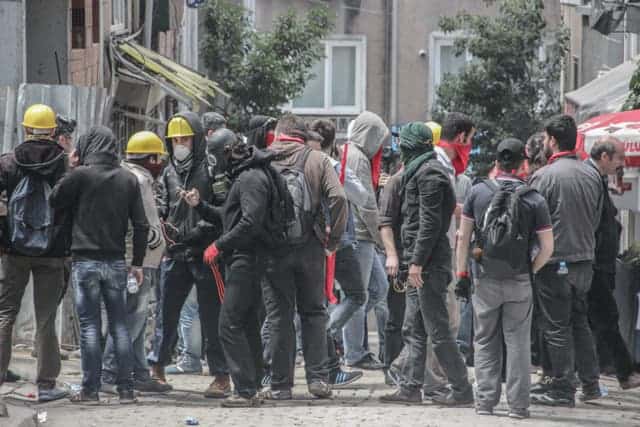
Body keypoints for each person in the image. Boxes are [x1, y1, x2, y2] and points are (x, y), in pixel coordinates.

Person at [456, 138, 554, 419]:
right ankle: (518, 407)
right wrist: (530, 269)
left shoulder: (478, 193)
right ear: (523, 163)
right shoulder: (534, 198)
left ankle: (485, 403)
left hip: (485, 278)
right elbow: (548, 247)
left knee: (485, 339)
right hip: (520, 279)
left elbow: (462, 238)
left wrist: (462, 273)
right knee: (519, 342)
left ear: (496, 163)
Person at [50, 126, 148, 404]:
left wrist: (70, 168)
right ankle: (126, 390)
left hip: (85, 262)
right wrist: (137, 263)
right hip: (116, 263)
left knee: (90, 326)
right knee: (120, 325)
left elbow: (54, 200)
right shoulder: (128, 179)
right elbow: (141, 225)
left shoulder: (80, 175)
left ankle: (90, 390)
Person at [183, 134, 280, 407]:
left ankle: (245, 389)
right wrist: (199, 206)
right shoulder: (249, 175)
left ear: (227, 153)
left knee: (228, 323)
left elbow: (250, 222)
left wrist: (218, 245)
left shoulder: (250, 179)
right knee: (247, 322)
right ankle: (253, 386)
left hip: (246, 260)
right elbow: (230, 216)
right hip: (246, 258)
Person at [380, 122, 473, 405]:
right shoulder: (417, 170)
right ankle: (410, 388)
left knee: (439, 331)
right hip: (417, 263)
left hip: (428, 266)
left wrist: (417, 263)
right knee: (414, 328)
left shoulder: (429, 173)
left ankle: (461, 390)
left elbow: (430, 224)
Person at [262, 114, 348, 400]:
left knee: (279, 316)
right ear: (301, 135)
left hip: (273, 250)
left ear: (279, 133)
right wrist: (332, 240)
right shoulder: (317, 159)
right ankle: (318, 380)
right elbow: (338, 198)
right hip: (311, 246)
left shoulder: (262, 158)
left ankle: (280, 385)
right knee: (313, 313)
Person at [147, 112, 230, 398]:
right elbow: (162, 204)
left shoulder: (211, 168)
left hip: (205, 254)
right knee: (166, 314)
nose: (180, 143)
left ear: (196, 138)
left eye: (185, 138)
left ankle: (221, 375)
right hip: (174, 254)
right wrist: (163, 228)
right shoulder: (169, 171)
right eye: (175, 140)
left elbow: (223, 209)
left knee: (211, 316)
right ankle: (156, 369)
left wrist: (199, 232)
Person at [0, 104, 70, 417]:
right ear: (53, 130)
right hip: (53, 253)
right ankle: (46, 383)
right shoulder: (64, 163)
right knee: (45, 318)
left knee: (6, 314)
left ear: (25, 128)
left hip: (15, 251)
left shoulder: (8, 163)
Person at [529, 114, 603, 407]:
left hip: (555, 261)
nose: (544, 143)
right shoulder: (591, 174)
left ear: (553, 140)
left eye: (546, 138)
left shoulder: (543, 176)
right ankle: (591, 383)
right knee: (579, 322)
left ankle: (562, 388)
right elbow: (597, 219)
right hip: (584, 261)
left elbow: (532, 221)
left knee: (557, 325)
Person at [100, 131, 171, 393]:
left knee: (139, 322)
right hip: (138, 262)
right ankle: (108, 372)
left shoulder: (125, 174)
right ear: (152, 157)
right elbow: (143, 223)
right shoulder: (139, 180)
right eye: (158, 158)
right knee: (131, 319)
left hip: (134, 259)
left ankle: (140, 372)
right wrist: (158, 241)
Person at [309, 120, 367, 387]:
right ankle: (325, 334)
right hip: (338, 240)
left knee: (311, 303)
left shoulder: (304, 163)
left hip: (311, 241)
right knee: (356, 294)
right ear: (333, 141)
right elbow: (361, 197)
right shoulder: (334, 167)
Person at [586, 137, 640, 390]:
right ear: (605, 157)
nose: (622, 163)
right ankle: (622, 372)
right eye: (619, 157)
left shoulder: (598, 179)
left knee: (599, 318)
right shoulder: (589, 178)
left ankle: (608, 371)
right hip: (593, 264)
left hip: (599, 263)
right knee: (605, 317)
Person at [342, 111, 390, 371]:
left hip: (363, 236)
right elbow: (366, 203)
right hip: (361, 235)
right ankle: (354, 351)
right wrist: (380, 235)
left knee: (377, 290)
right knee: (359, 296)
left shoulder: (355, 155)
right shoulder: (357, 157)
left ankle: (340, 328)